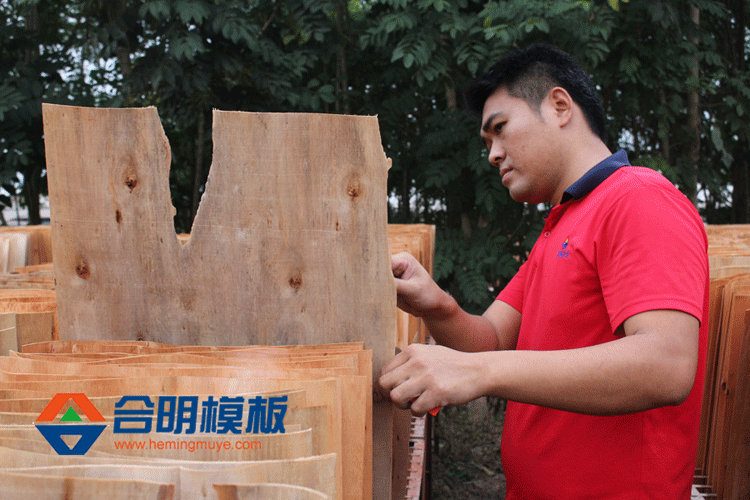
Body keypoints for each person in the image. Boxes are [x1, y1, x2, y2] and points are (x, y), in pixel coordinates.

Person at [378, 44, 708, 499]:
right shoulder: (559, 226)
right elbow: (492, 340)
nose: (493, 154)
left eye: (500, 129)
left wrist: (479, 372)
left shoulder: (638, 198)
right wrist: (435, 305)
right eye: (487, 143)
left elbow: (666, 365)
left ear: (559, 106)